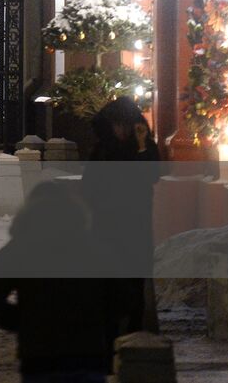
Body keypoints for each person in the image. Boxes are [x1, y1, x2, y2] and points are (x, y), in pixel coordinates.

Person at [0, 182, 117, 383]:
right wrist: (93, 319)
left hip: (39, 358)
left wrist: (23, 321)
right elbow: (121, 297)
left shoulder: (20, 249)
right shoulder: (91, 248)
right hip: (86, 355)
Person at [83, 96, 161, 338]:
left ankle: (134, 332)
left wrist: (141, 146)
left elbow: (152, 175)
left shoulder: (145, 148)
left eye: (127, 124)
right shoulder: (102, 150)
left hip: (136, 223)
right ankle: (109, 336)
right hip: (107, 224)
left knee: (135, 281)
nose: (122, 129)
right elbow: (89, 187)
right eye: (118, 124)